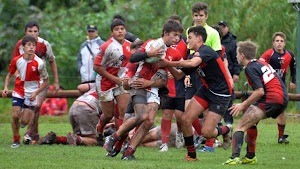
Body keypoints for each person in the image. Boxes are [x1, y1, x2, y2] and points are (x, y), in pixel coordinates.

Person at [103, 20, 184, 161]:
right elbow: (133, 58)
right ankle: (113, 138)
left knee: (148, 121)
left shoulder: (174, 53)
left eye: (179, 36)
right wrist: (149, 53)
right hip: (139, 85)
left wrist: (176, 68)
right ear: (165, 33)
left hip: (154, 89)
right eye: (175, 35)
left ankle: (129, 152)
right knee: (141, 116)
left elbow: (178, 74)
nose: (177, 38)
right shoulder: (151, 44)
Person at [156, 25, 233, 161]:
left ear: (199, 38)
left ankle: (226, 130)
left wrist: (169, 61)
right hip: (206, 89)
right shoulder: (193, 54)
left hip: (221, 94)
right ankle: (191, 156)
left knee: (207, 133)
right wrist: (167, 65)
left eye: (190, 38)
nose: (187, 41)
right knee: (185, 119)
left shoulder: (206, 51)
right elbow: (179, 76)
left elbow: (192, 64)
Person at [223, 40, 288, 165]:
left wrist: (243, 104)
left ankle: (234, 158)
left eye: (237, 54)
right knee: (250, 123)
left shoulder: (250, 68)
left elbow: (259, 91)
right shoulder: (261, 62)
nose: (236, 56)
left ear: (242, 55)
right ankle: (250, 156)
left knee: (240, 127)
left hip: (270, 98)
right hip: (282, 99)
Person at [12, 21, 59, 144]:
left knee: (37, 105)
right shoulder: (19, 45)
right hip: (23, 83)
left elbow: (52, 61)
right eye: (30, 31)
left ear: (38, 32)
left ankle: (28, 133)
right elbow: (14, 64)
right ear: (25, 33)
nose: (33, 34)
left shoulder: (44, 44)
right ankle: (34, 133)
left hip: (40, 81)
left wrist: (56, 81)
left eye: (35, 31)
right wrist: (18, 77)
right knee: (24, 112)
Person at [184, 2, 223, 151]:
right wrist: (187, 74)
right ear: (192, 16)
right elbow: (190, 54)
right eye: (196, 15)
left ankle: (209, 145)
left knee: (206, 110)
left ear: (206, 16)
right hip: (194, 74)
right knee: (187, 110)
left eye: (201, 15)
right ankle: (202, 135)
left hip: (206, 75)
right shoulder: (190, 30)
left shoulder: (212, 33)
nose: (198, 18)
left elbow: (218, 55)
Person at [3, 35, 49, 148]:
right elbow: (9, 76)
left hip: (32, 92)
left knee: (24, 121)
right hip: (19, 90)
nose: (31, 47)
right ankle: (16, 140)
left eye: (33, 45)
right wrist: (5, 88)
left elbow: (46, 81)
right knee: (15, 116)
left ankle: (24, 118)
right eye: (29, 45)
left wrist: (36, 93)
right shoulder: (17, 60)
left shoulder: (40, 63)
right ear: (23, 47)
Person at [93, 19, 131, 146]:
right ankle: (99, 130)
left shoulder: (129, 45)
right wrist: (114, 79)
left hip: (120, 81)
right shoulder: (106, 46)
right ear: (112, 32)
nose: (120, 31)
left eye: (122, 28)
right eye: (116, 29)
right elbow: (96, 67)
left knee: (123, 111)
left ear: (125, 31)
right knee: (108, 114)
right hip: (105, 82)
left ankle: (120, 139)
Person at [259, 32, 296, 144]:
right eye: (277, 41)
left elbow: (293, 68)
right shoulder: (268, 54)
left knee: (282, 111)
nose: (279, 43)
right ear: (273, 43)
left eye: (281, 41)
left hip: (281, 87)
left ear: (284, 43)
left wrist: (293, 81)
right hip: (268, 87)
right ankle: (251, 130)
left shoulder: (289, 55)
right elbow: (258, 66)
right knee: (259, 109)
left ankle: (281, 137)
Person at [159, 15, 187, 152]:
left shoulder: (186, 43)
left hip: (180, 84)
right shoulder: (160, 44)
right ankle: (164, 143)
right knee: (166, 114)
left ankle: (180, 134)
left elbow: (187, 62)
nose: (176, 36)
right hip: (166, 85)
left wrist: (177, 70)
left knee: (181, 116)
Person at [218, 20, 241, 127]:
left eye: (224, 27)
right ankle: (217, 125)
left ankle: (229, 125)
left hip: (229, 75)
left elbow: (236, 59)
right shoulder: (214, 39)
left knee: (228, 101)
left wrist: (236, 73)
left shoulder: (232, 41)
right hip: (216, 76)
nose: (222, 29)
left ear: (227, 28)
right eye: (220, 27)